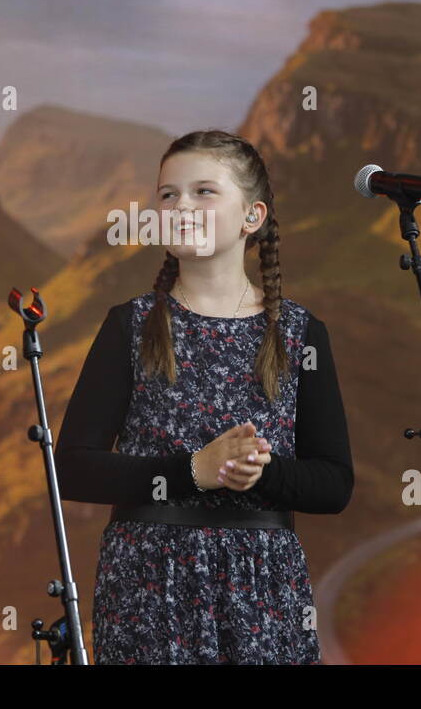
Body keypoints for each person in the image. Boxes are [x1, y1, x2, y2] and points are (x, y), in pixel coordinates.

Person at [54, 129, 353, 664]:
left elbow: (334, 483)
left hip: (264, 589)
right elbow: (73, 468)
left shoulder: (301, 334)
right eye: (168, 194)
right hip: (148, 585)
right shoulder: (131, 325)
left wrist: (264, 474)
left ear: (252, 216)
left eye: (203, 191)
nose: (180, 206)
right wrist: (191, 470)